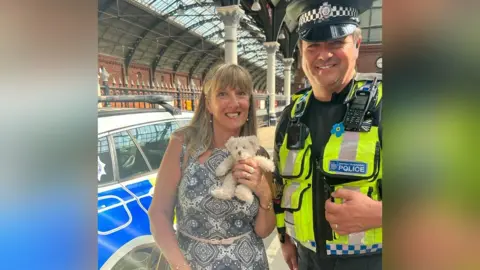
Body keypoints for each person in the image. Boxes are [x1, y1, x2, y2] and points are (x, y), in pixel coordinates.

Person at [273, 0, 383, 269]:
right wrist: (285, 238)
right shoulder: (291, 116)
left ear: (357, 44)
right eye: (313, 46)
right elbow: (279, 187)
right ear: (301, 51)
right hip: (308, 260)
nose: (324, 56)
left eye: (336, 44)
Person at [148, 63, 277, 270]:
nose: (234, 103)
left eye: (241, 93)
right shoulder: (183, 144)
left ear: (249, 102)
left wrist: (264, 193)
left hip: (249, 263)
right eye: (223, 94)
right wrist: (181, 267)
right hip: (190, 263)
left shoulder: (258, 155)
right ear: (208, 104)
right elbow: (159, 213)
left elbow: (263, 231)